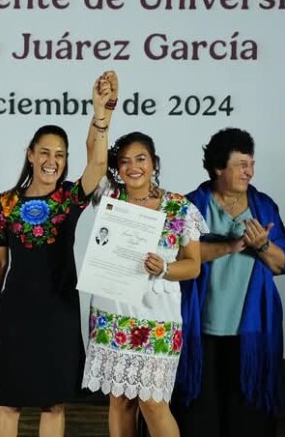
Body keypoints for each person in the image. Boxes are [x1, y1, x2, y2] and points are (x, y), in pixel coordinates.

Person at [0, 71, 117, 437]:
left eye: (59, 154)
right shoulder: (7, 201)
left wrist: (101, 115)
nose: (51, 160)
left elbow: (100, 166)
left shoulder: (70, 197)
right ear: (30, 154)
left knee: (53, 402)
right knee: (8, 400)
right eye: (44, 152)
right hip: (16, 313)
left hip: (58, 312)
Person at [81, 132, 203, 437]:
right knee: (120, 401)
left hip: (158, 319)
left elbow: (193, 266)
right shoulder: (109, 196)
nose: (133, 167)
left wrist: (164, 268)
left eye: (140, 159)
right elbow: (93, 153)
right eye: (124, 161)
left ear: (154, 163)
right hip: (113, 316)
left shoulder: (179, 207)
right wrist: (102, 110)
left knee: (153, 403)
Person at [173, 128, 285, 437]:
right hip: (201, 333)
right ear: (218, 168)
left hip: (251, 335)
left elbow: (281, 264)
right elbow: (180, 256)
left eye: (251, 163)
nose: (249, 171)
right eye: (240, 164)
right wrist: (231, 244)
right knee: (199, 421)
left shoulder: (264, 206)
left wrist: (262, 245)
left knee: (248, 421)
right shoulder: (190, 206)